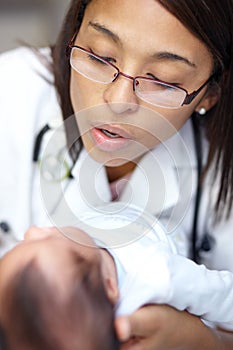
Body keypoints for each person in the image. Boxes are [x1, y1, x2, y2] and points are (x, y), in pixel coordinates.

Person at [0, 0, 233, 348]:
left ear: (209, 94)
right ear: (74, 34)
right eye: (100, 56)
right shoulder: (11, 92)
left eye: (162, 80)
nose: (118, 99)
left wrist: (207, 342)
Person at [1, 207, 233, 350]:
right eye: (44, 240)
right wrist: (210, 340)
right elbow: (221, 296)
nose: (32, 230)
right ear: (110, 285)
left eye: (18, 246)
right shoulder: (157, 274)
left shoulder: (79, 289)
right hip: (164, 231)